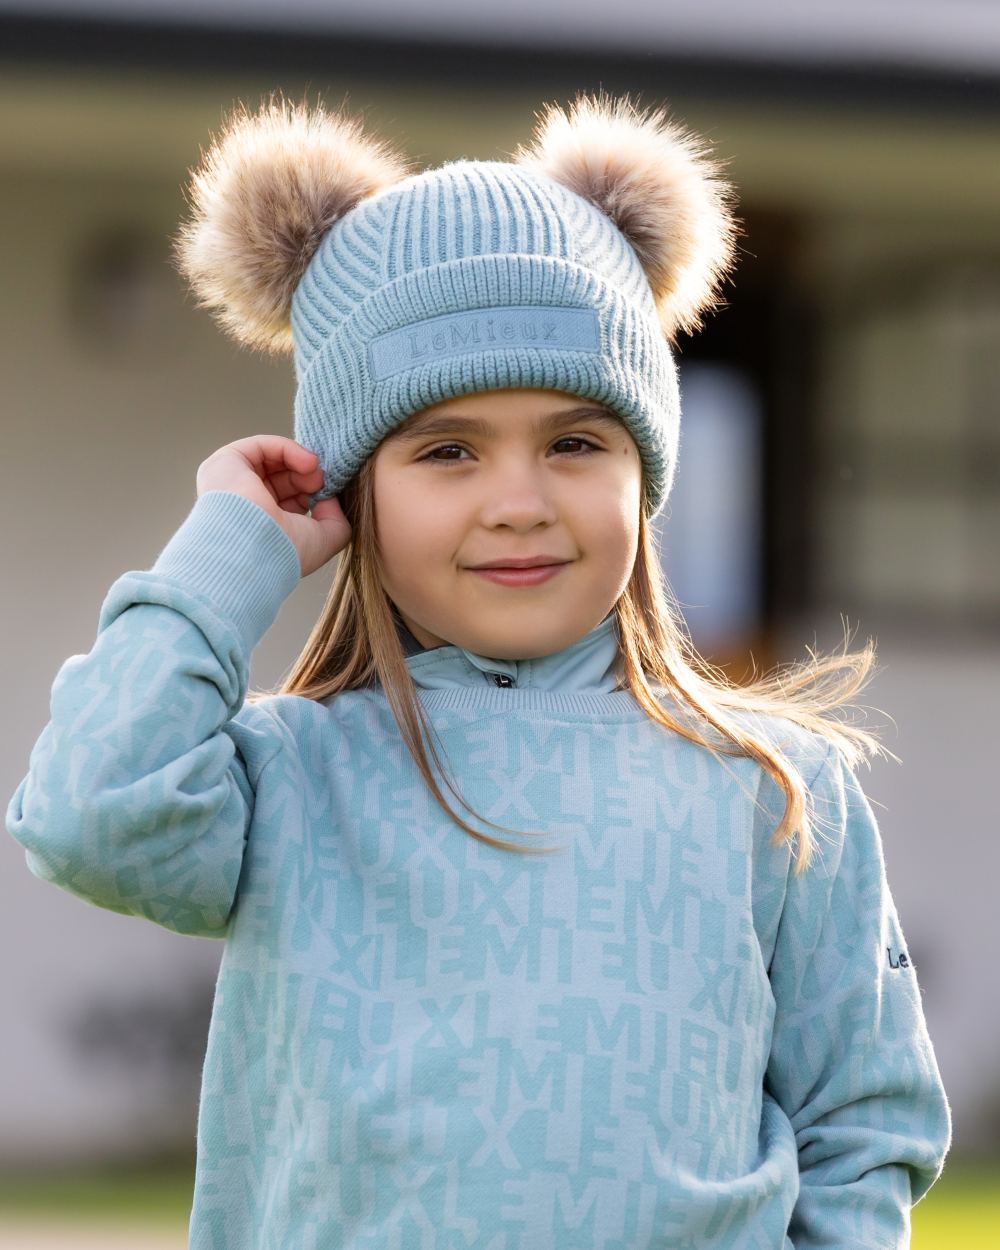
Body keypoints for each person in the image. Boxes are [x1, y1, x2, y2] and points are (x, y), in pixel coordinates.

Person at [6, 89, 950, 1249]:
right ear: (351, 491)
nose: (518, 501)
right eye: (446, 449)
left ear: (642, 476)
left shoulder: (773, 787)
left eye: (574, 441)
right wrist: (230, 554)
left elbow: (863, 1125)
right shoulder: (291, 775)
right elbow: (86, 812)